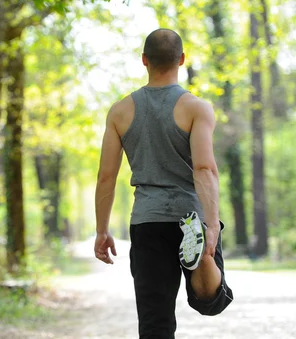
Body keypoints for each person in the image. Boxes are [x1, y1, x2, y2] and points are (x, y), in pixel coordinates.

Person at [93, 29, 234, 338]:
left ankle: (201, 255)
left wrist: (102, 231)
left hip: (147, 222)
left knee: (155, 322)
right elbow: (205, 167)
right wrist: (212, 226)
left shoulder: (120, 111)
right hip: (191, 218)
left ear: (144, 61)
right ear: (181, 60)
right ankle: (203, 257)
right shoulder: (196, 108)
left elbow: (106, 176)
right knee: (211, 301)